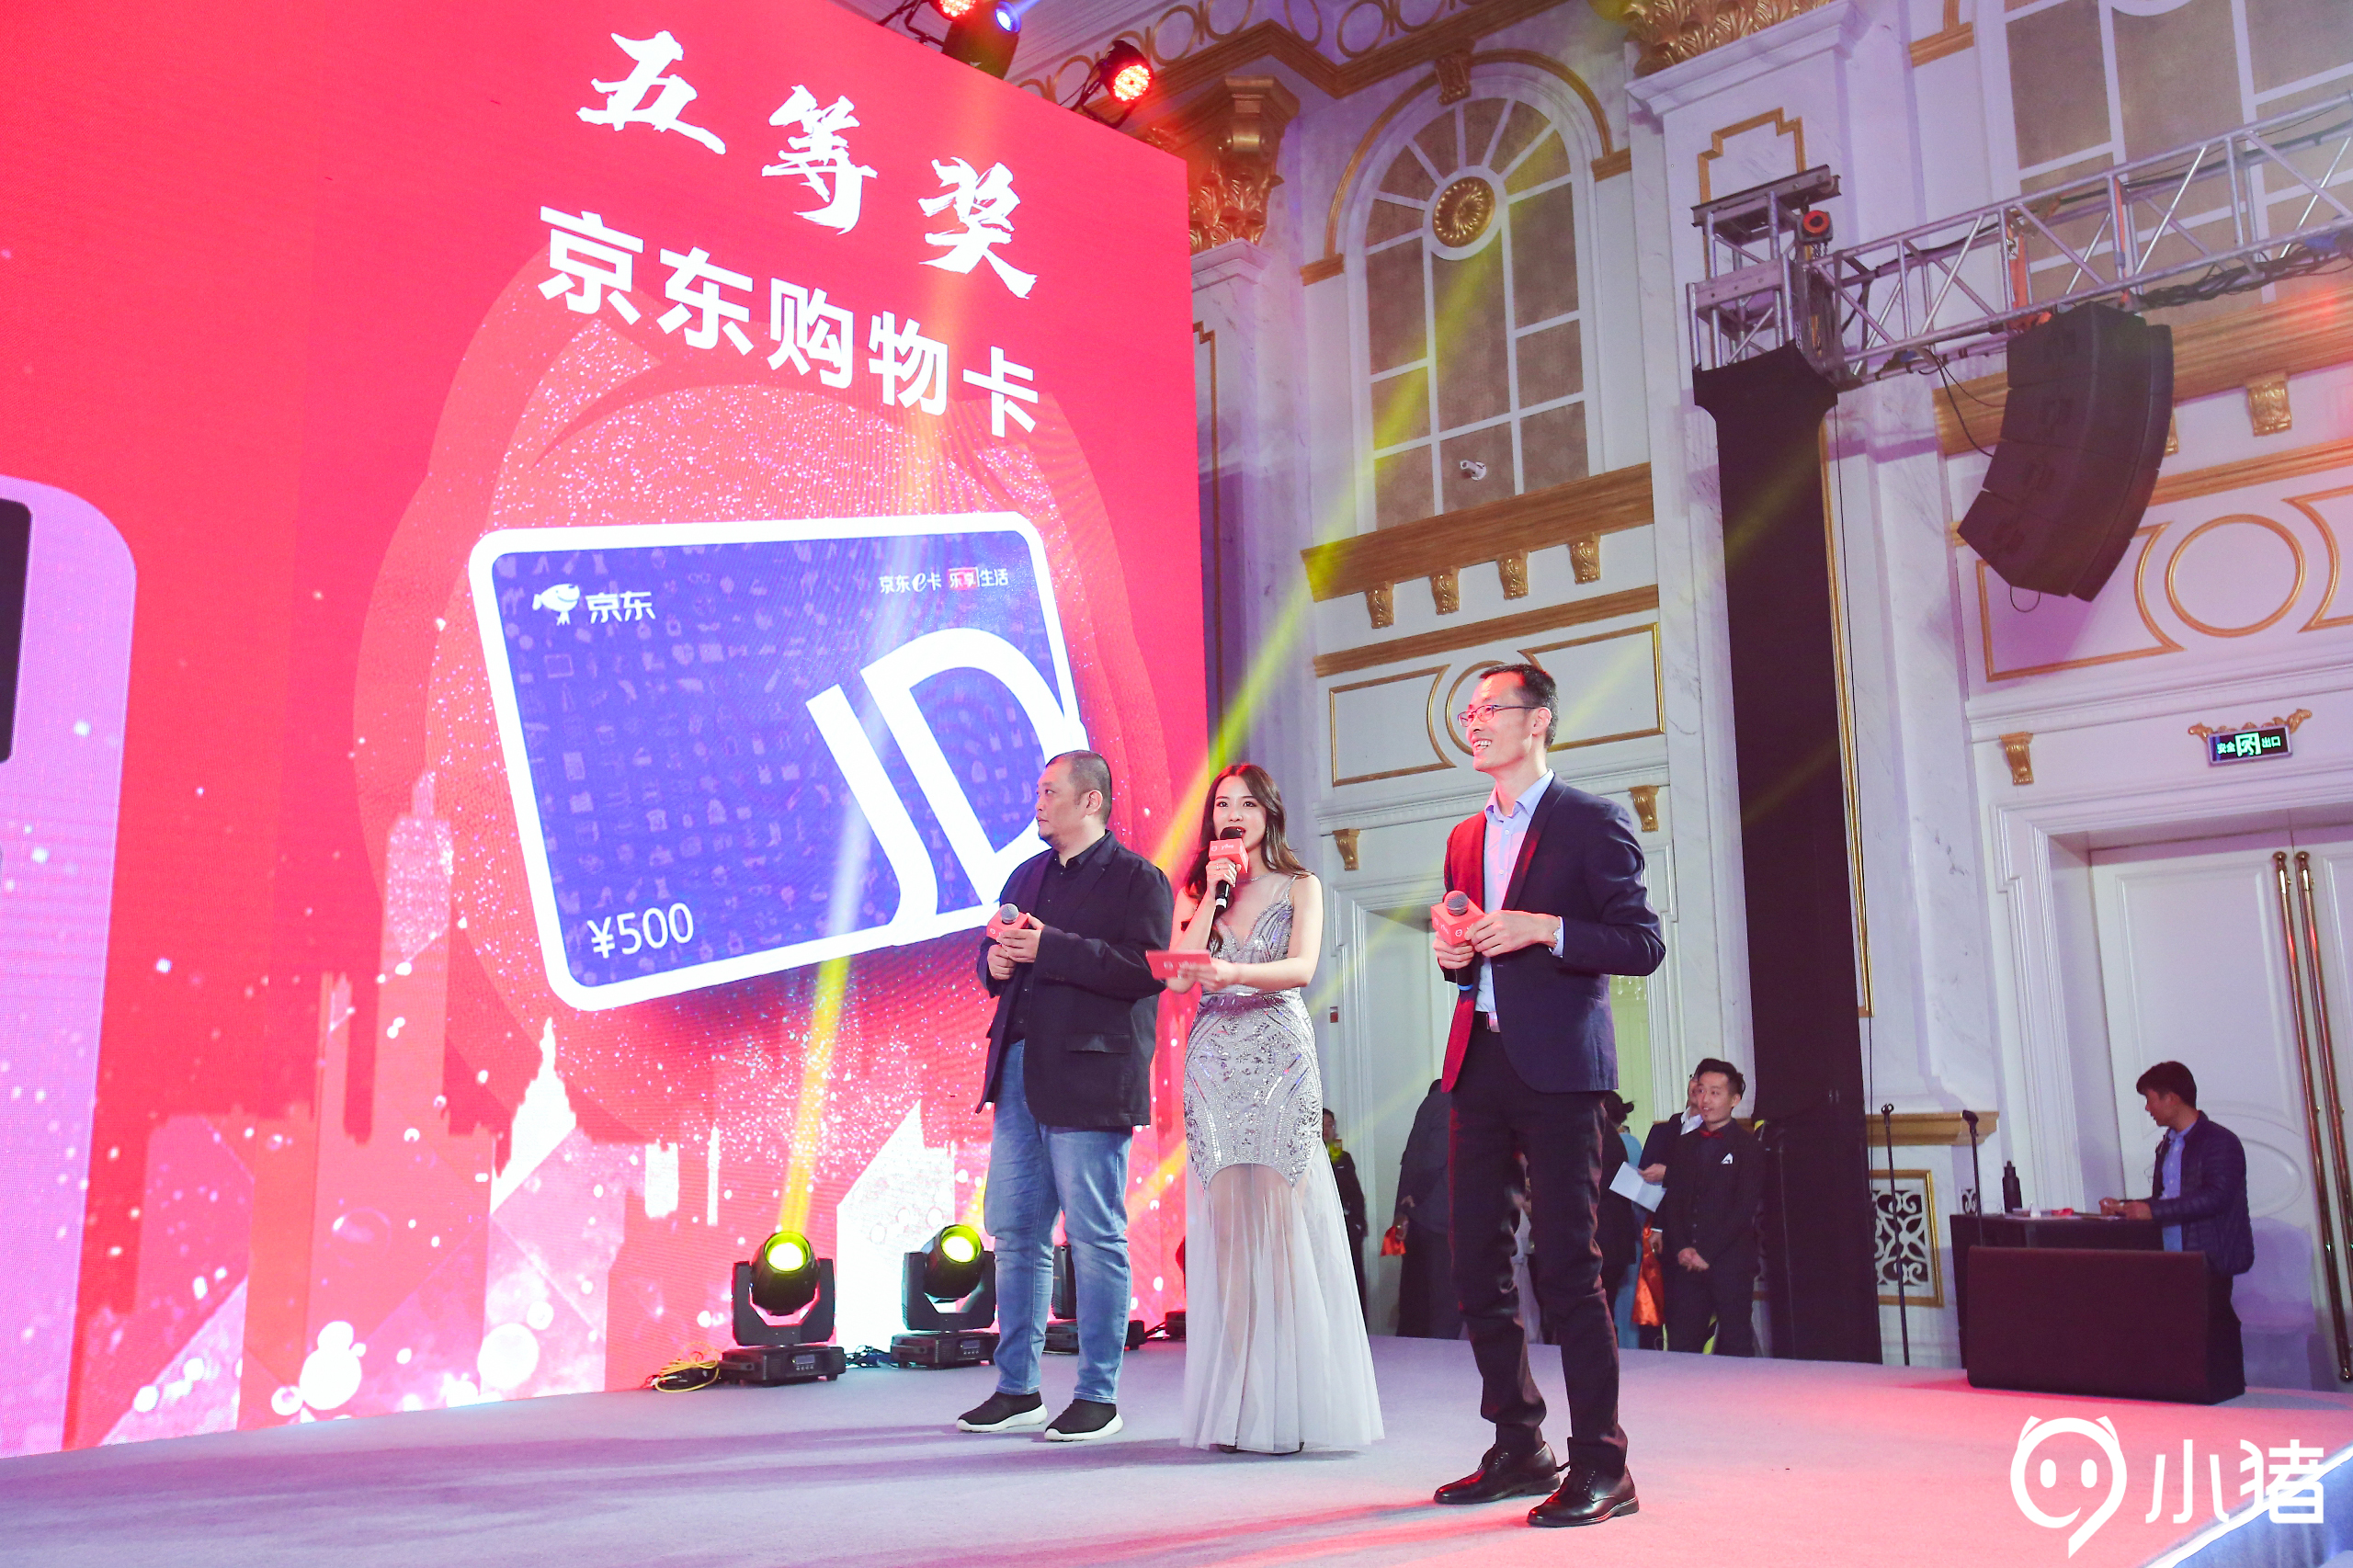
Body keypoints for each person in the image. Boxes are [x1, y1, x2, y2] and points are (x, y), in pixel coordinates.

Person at [1427, 663, 1665, 1529]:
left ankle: (1603, 1462)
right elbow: (1466, 953)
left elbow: (1642, 943)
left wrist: (1544, 928)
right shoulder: (1464, 836)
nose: (1474, 722)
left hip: (1563, 1071)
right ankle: (1519, 1444)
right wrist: (1454, 954)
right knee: (1474, 1263)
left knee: (1568, 1264)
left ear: (1539, 721)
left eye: (1490, 708)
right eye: (1468, 711)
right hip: (1479, 1062)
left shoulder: (1592, 820)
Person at [1165, 763, 1381, 1453]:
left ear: (1269, 815)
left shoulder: (1301, 884)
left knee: (1284, 1232)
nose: (1233, 815)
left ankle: (1294, 1404)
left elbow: (1301, 969)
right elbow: (1178, 975)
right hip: (1214, 1064)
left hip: (1279, 1056)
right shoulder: (1197, 891)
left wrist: (1232, 973)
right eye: (1222, 805)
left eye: (1247, 804)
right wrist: (1212, 892)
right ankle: (1245, 1404)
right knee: (1229, 1240)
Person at [956, 751, 1172, 1444]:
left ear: (1090, 801)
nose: (1038, 802)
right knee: (1017, 1232)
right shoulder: (1026, 874)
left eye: (1050, 791)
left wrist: (1050, 948)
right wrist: (993, 962)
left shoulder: (1138, 878)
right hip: (1019, 1068)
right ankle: (1017, 1388)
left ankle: (1098, 1395)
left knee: (1094, 1234)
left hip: (1090, 1074)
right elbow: (997, 951)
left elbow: (1147, 970)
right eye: (1038, 791)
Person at [2099, 1061, 2254, 1397]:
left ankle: (2225, 1392)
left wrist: (2152, 1210)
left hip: (2209, 1253)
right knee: (2178, 1329)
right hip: (2173, 1254)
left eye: (2150, 1099)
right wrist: (2127, 1207)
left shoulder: (2219, 1142)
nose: (2148, 1108)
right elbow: (2170, 1198)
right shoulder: (2170, 1143)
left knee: (2213, 1325)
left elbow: (2216, 1197)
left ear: (2171, 1098)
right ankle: (2187, 1392)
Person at [1659, 1059, 1763, 1357]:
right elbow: (1673, 1201)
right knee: (1682, 1343)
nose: (1705, 1100)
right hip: (1686, 1263)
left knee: (1735, 1342)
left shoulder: (1748, 1147)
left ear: (1734, 1100)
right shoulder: (1684, 1144)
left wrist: (1706, 1252)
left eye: (1715, 1093)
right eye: (1701, 1090)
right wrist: (1682, 1247)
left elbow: (1743, 1209)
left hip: (1729, 1262)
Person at [1392, 1079, 1459, 1339]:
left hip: (1420, 1217)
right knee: (1443, 1302)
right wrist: (1417, 1194)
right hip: (1440, 1217)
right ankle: (1441, 1357)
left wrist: (1404, 1207)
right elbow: (1436, 1157)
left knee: (1416, 1299)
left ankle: (1413, 1355)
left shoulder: (1432, 1103)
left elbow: (1412, 1160)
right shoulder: (1449, 1103)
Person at [1597, 1092, 1643, 1349]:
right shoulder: (1615, 1138)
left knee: (1601, 1310)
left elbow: (1596, 1186)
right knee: (1608, 1306)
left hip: (1605, 1238)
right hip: (1617, 1237)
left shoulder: (1600, 1136)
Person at [1324, 1109, 1371, 1310]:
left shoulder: (1341, 1156)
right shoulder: (1304, 1159)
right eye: (1321, 1124)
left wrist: (1358, 1223)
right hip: (1321, 1229)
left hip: (1346, 1227)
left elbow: (1355, 1193)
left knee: (1353, 1281)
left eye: (1329, 1125)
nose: (1325, 1129)